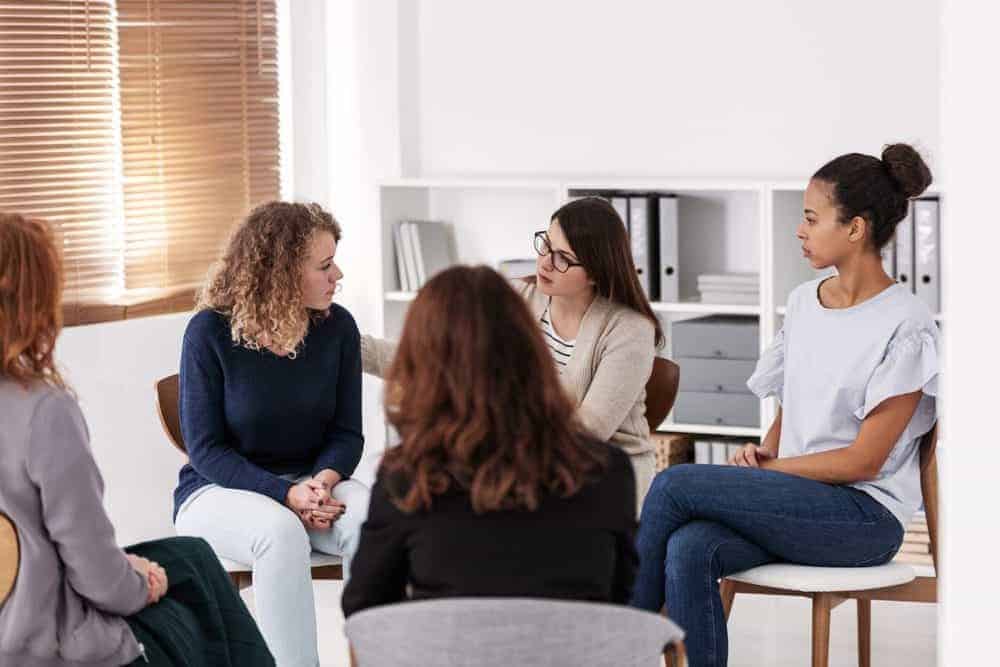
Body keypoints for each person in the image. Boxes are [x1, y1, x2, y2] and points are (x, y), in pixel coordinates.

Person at [630, 144, 940, 667]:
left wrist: (772, 471)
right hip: (795, 498)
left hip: (863, 517)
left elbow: (862, 461)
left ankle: (615, 644)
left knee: (673, 483)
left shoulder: (906, 324)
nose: (800, 230)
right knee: (689, 548)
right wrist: (762, 453)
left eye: (812, 218)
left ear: (856, 228)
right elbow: (793, 406)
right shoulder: (804, 302)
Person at [0, 213, 273, 667]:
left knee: (192, 554)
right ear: (33, 302)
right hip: (58, 649)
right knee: (196, 600)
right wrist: (142, 581)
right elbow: (99, 580)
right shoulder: (43, 411)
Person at [342, 266, 638, 616]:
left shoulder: (407, 476)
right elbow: (622, 606)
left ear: (422, 365)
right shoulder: (608, 470)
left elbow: (364, 611)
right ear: (531, 350)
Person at [363, 197, 665, 512]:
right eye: (545, 245)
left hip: (601, 477)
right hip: (520, 465)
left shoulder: (630, 330)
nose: (545, 262)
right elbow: (437, 356)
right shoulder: (517, 298)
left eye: (563, 258)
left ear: (595, 271)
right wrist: (353, 347)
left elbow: (588, 431)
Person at [173, 202, 368, 667]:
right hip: (218, 490)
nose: (336, 274)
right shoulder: (208, 333)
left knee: (375, 518)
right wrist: (284, 493)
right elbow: (206, 450)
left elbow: (347, 433)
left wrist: (320, 481)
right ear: (281, 272)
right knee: (280, 533)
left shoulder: (337, 327)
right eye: (324, 265)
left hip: (311, 484)